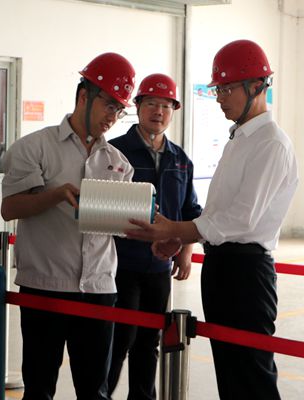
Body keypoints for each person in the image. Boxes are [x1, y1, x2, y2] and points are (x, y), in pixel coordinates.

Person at [125, 40, 298, 400]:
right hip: (223, 266)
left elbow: (242, 219)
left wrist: (176, 229)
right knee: (231, 374)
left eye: (227, 89)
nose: (219, 98)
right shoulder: (241, 139)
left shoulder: (271, 143)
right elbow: (218, 214)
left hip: (246, 273)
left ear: (257, 87)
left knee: (252, 375)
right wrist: (183, 237)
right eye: (218, 89)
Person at [1, 52, 136, 400]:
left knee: (94, 391)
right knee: (39, 388)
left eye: (120, 110)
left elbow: (120, 227)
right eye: (109, 105)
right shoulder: (34, 148)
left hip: (99, 287)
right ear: (84, 95)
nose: (113, 117)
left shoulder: (118, 163)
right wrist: (56, 195)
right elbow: (10, 207)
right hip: (44, 285)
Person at [107, 73, 202, 399]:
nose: (158, 112)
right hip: (120, 264)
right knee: (119, 339)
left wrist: (186, 251)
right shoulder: (115, 152)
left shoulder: (180, 160)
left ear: (173, 111)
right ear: (138, 107)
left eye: (166, 105)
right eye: (151, 103)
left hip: (159, 269)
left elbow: (190, 210)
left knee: (149, 342)